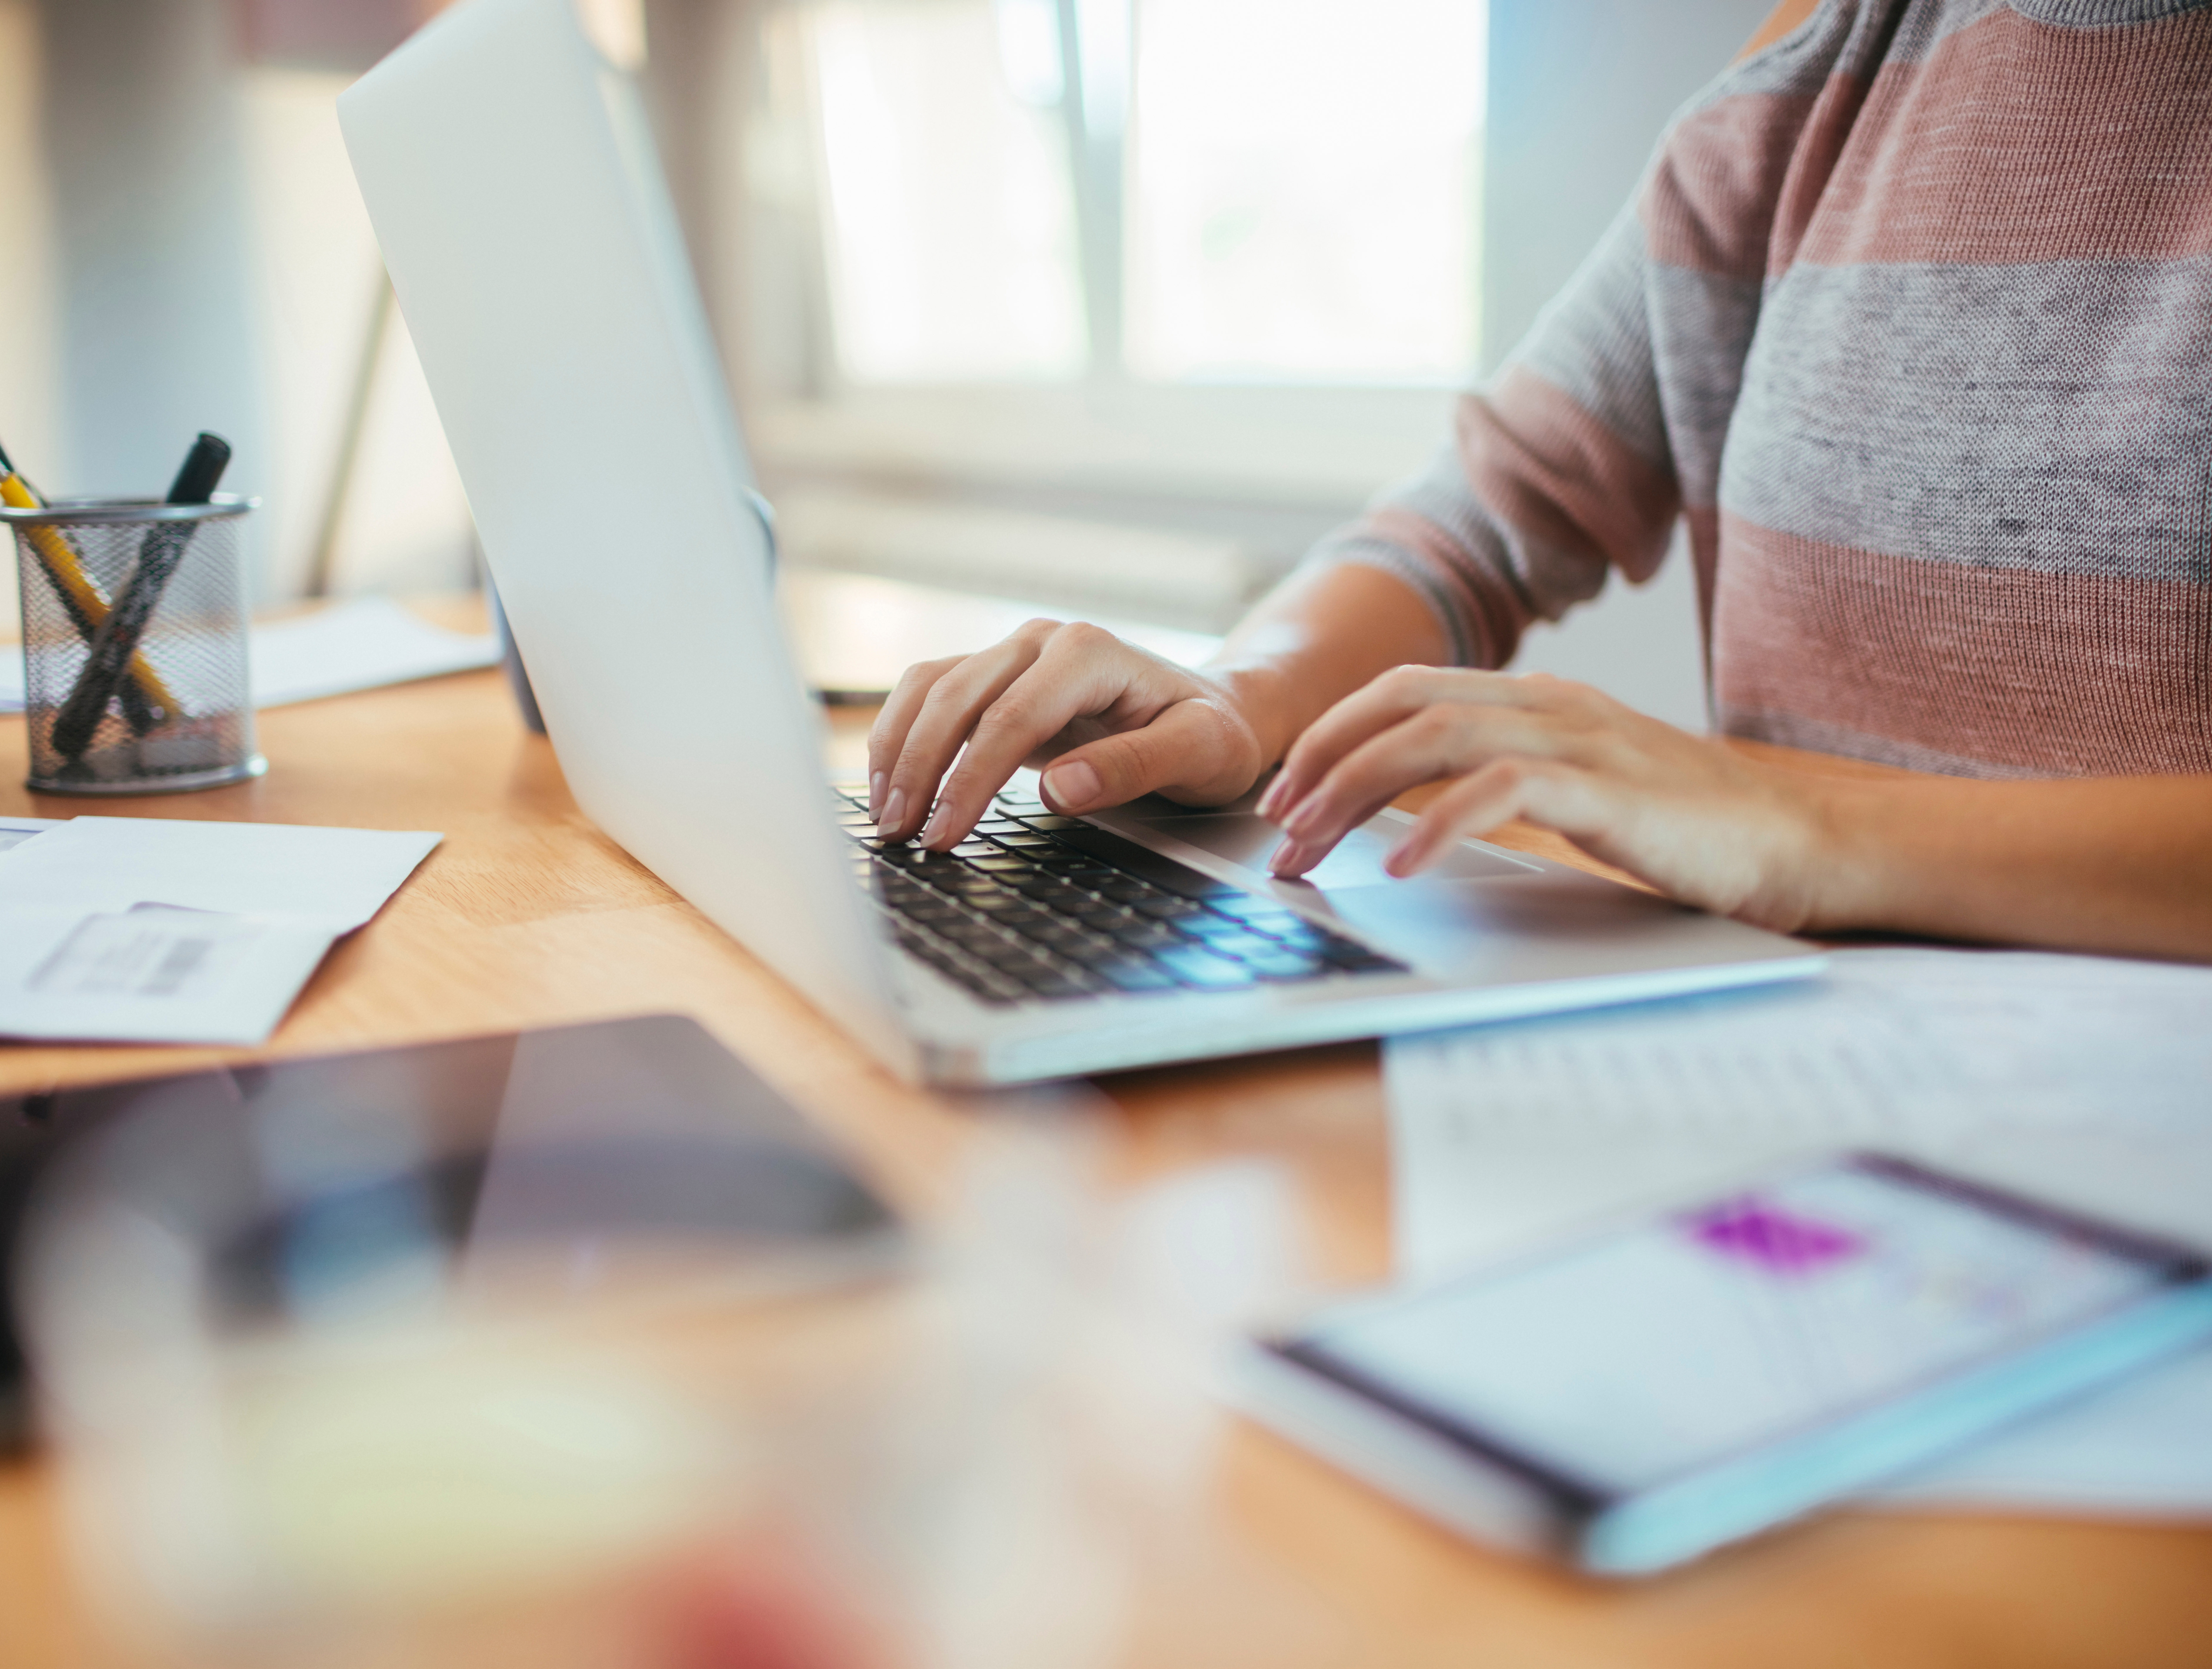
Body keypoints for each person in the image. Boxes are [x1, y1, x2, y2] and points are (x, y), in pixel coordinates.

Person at [863, 0, 2212, 963]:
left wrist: (1804, 822)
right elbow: (1481, 518)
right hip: (1807, 1035)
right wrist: (1243, 696)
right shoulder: (1823, 67)